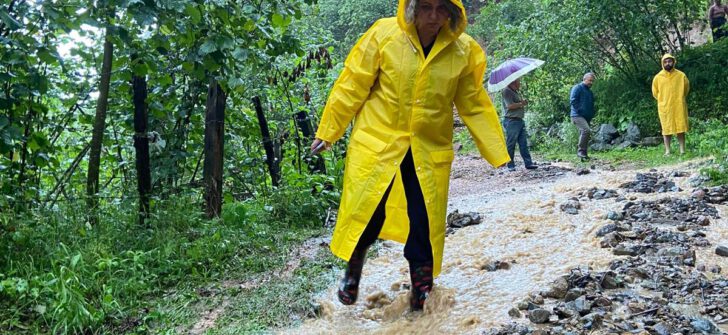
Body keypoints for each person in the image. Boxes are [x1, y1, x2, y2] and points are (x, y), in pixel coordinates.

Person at [310, 0, 509, 311]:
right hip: (378, 140)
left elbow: (473, 101)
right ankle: (354, 266)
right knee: (369, 209)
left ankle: (421, 285)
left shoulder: (462, 51)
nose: (432, 17)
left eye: (441, 9)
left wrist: (496, 151)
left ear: (453, 13)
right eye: (425, 7)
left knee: (424, 217)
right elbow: (353, 84)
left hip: (428, 147)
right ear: (412, 7)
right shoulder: (384, 34)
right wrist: (329, 130)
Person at [651, 54, 690, 156]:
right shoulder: (658, 77)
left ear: (673, 62)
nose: (668, 63)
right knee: (666, 129)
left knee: (680, 128)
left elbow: (686, 89)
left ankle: (682, 150)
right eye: (665, 62)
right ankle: (667, 151)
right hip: (665, 107)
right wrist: (663, 100)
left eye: (669, 61)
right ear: (662, 63)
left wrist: (680, 98)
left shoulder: (681, 76)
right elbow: (655, 93)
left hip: (678, 105)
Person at [501, 78, 537, 170]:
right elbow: (510, 106)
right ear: (514, 82)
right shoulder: (506, 91)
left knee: (523, 143)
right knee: (511, 143)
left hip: (519, 120)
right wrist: (522, 103)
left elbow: (517, 103)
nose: (520, 83)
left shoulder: (515, 91)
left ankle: (528, 163)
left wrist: (522, 102)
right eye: (519, 82)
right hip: (511, 121)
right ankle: (510, 165)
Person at [569, 73, 596, 161]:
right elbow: (573, 100)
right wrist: (580, 110)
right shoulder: (577, 88)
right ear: (584, 79)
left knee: (584, 133)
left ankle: (584, 154)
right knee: (586, 130)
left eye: (592, 81)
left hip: (587, 116)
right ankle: (581, 151)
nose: (591, 82)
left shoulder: (589, 91)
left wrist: (591, 113)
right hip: (577, 115)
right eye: (590, 80)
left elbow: (591, 104)